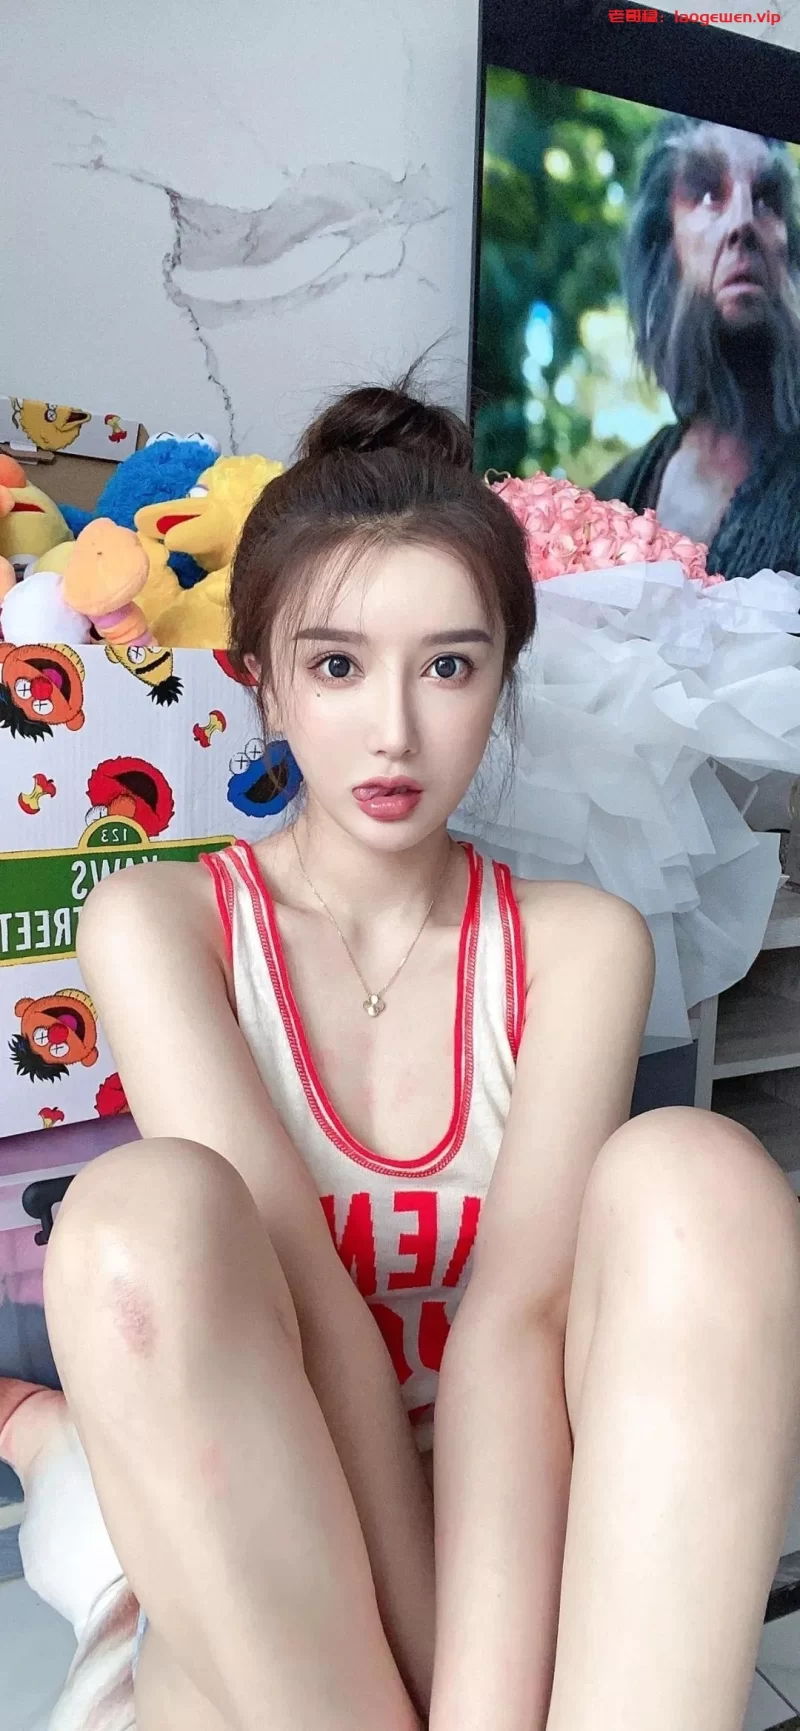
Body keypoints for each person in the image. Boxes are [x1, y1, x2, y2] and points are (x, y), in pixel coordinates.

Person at [2, 378, 800, 1731]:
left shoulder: (581, 943)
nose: (394, 730)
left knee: (703, 1173)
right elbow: (310, 1310)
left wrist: (478, 1705)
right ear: (258, 675)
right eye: (336, 666)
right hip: (280, 1563)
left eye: (447, 665)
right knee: (134, 1217)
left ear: (500, 676)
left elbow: (515, 1328)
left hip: (520, 1547)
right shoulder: (160, 920)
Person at [594, 118, 800, 579]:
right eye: (709, 195)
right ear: (666, 248)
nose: (743, 221)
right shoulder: (617, 496)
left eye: (766, 199)